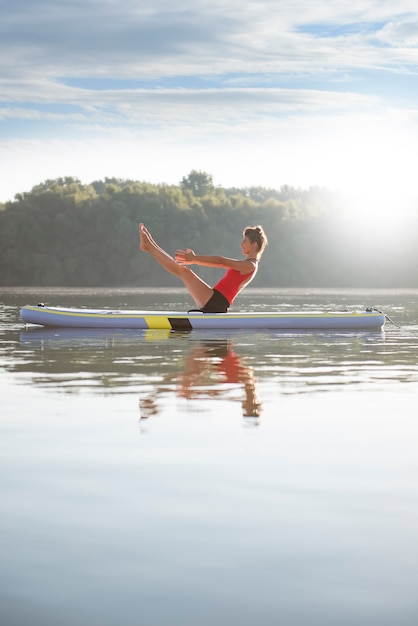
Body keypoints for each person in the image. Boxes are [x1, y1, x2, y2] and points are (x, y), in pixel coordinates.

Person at [138, 222, 268, 312]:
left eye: (244, 241)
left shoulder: (250, 266)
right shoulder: (246, 264)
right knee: (183, 271)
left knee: (184, 272)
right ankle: (149, 244)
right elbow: (219, 263)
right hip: (214, 299)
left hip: (216, 302)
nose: (241, 244)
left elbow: (221, 261)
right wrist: (194, 260)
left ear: (254, 245)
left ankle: (148, 245)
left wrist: (194, 259)